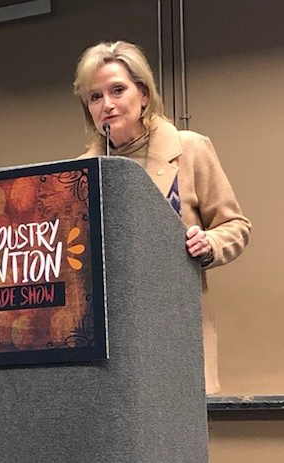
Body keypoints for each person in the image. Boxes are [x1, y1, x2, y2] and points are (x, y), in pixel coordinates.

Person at [74, 41, 251, 393]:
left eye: (117, 90)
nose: (106, 105)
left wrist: (209, 243)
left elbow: (236, 226)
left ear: (143, 94)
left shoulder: (190, 148)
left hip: (175, 326)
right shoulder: (80, 172)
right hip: (112, 336)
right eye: (95, 97)